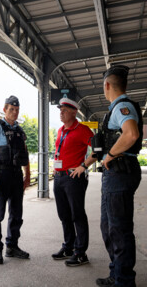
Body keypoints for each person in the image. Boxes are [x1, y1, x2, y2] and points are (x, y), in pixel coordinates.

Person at [94, 65, 143, 287]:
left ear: (107, 85)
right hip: (116, 173)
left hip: (120, 172)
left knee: (119, 229)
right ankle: (117, 273)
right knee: (109, 227)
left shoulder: (121, 107)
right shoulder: (118, 108)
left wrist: (109, 156)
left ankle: (124, 281)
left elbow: (131, 134)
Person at [0, 95, 31, 264]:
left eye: (17, 109)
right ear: (5, 109)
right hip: (1, 176)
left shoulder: (20, 131)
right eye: (11, 109)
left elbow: (25, 155)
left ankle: (12, 246)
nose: (14, 112)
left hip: (16, 176)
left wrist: (27, 175)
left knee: (16, 214)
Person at [51, 97, 96, 267]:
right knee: (64, 215)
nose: (61, 114)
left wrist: (83, 166)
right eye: (60, 110)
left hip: (73, 178)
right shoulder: (61, 130)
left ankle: (80, 253)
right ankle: (69, 247)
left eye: (64, 111)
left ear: (74, 112)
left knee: (77, 215)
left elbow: (97, 150)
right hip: (59, 177)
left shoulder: (83, 130)